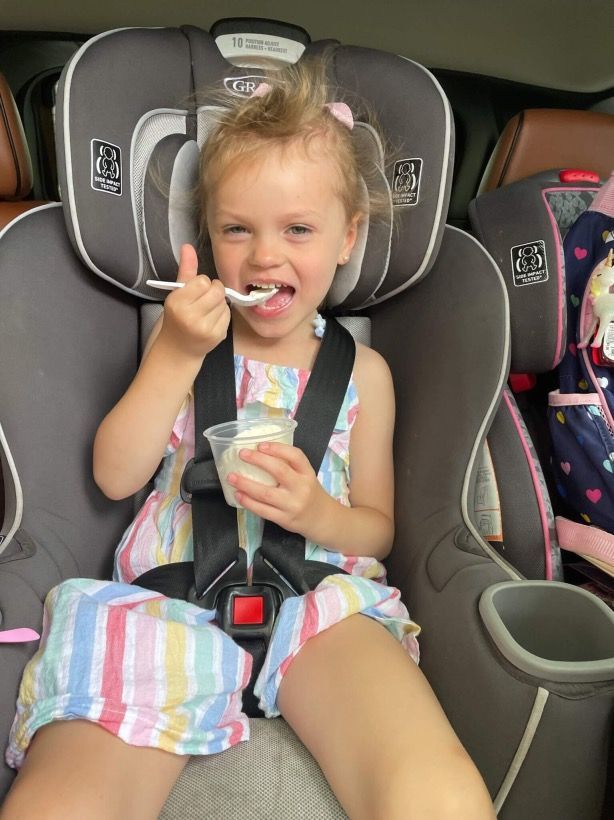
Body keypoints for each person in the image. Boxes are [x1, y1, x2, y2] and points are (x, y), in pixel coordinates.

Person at [1, 60, 495, 820]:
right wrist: (172, 354)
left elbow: (376, 527)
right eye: (238, 229)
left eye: (298, 229)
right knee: (62, 804)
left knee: (438, 795)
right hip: (168, 602)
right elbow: (113, 473)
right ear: (210, 238)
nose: (265, 256)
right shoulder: (182, 343)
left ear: (346, 237)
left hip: (322, 605)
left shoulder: (365, 374)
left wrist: (314, 511)